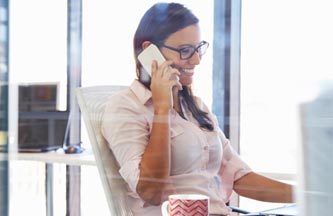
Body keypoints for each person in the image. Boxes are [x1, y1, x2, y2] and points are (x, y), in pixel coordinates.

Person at [101, 2, 293, 215]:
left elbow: (239, 177)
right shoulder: (124, 107)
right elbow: (152, 191)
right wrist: (162, 109)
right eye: (185, 51)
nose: (197, 60)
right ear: (149, 52)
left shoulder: (194, 106)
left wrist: (311, 196)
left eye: (198, 48)